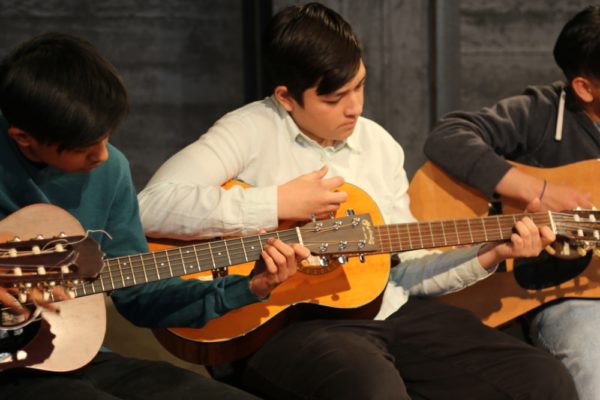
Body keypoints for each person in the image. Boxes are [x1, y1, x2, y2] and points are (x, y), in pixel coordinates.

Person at [137, 3, 577, 399]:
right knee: (371, 389)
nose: (354, 108)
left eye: (359, 87)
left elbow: (408, 271)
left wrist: (490, 253)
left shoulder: (379, 145)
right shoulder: (249, 130)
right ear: (286, 98)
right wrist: (275, 204)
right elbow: (150, 206)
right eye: (334, 98)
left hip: (387, 311)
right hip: (280, 323)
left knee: (542, 380)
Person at [0, 32, 309, 400]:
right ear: (23, 138)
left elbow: (140, 296)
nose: (102, 156)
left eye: (106, 138)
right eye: (84, 149)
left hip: (71, 358)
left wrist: (250, 287)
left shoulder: (110, 170)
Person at [424, 5, 600, 400]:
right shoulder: (542, 113)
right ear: (585, 88)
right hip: (562, 297)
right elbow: (447, 136)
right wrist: (536, 191)